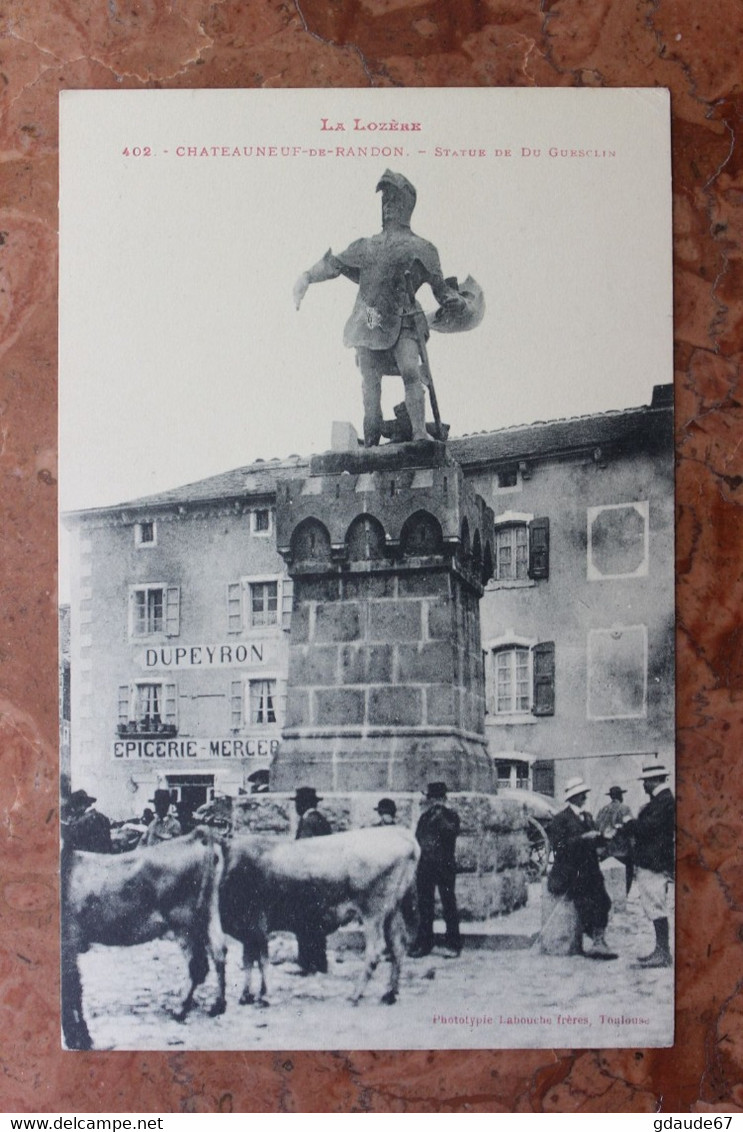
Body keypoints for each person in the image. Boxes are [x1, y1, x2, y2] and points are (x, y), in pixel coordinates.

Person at [293, 170, 468, 447]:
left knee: (411, 370)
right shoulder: (366, 246)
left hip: (405, 320)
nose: (387, 206)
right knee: (369, 384)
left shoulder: (423, 248)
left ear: (406, 206)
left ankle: (420, 435)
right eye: (385, 200)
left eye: (394, 200)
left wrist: (459, 302)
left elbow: (442, 291)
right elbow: (334, 264)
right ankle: (372, 441)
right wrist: (306, 277)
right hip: (369, 322)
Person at [547, 777, 616, 959]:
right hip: (570, 871)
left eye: (584, 794)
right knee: (586, 901)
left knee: (604, 901)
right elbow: (559, 847)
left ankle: (599, 941)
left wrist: (603, 837)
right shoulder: (561, 819)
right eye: (582, 795)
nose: (585, 797)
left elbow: (594, 841)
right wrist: (583, 838)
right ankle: (596, 941)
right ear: (574, 797)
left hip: (589, 869)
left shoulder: (588, 817)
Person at [623, 761, 675, 967]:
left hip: (654, 861)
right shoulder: (662, 800)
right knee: (653, 905)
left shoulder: (663, 802)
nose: (643, 785)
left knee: (656, 905)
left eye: (645, 782)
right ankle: (660, 950)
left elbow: (647, 828)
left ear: (654, 781)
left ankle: (663, 953)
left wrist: (629, 823)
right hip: (653, 860)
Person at [409, 782, 461, 959]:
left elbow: (451, 832)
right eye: (431, 799)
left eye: (434, 798)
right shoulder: (425, 817)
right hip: (426, 866)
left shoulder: (450, 816)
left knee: (448, 905)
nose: (431, 801)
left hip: (444, 867)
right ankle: (425, 942)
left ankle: (453, 944)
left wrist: (440, 814)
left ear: (442, 799)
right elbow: (418, 839)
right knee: (425, 906)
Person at [293, 786, 332, 975]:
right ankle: (320, 962)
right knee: (316, 923)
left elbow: (303, 850)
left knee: (305, 922)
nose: (296, 807)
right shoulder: (320, 820)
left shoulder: (308, 821)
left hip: (309, 881)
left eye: (298, 803)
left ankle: (308, 963)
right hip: (321, 879)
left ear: (304, 804)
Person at [61, 789, 112, 853]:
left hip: (91, 856)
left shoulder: (86, 820)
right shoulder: (99, 816)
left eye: (73, 806)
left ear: (81, 805)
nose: (72, 810)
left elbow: (71, 837)